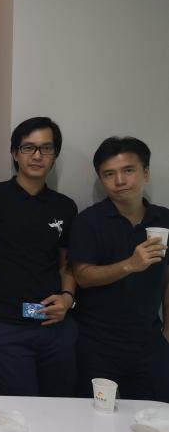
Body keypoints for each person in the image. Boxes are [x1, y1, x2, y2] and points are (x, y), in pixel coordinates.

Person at [0, 117, 78, 397]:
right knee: (16, 414)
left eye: (46, 148)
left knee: (60, 409)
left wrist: (67, 298)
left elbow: (67, 263)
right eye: (29, 147)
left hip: (54, 328)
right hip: (4, 328)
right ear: (15, 153)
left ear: (54, 155)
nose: (37, 155)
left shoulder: (65, 206)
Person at [68, 137, 169, 402]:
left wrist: (167, 330)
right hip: (96, 342)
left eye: (128, 170)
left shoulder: (164, 219)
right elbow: (82, 276)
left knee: (154, 414)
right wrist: (130, 265)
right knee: (94, 414)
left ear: (146, 173)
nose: (120, 181)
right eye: (109, 174)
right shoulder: (89, 221)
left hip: (149, 339)